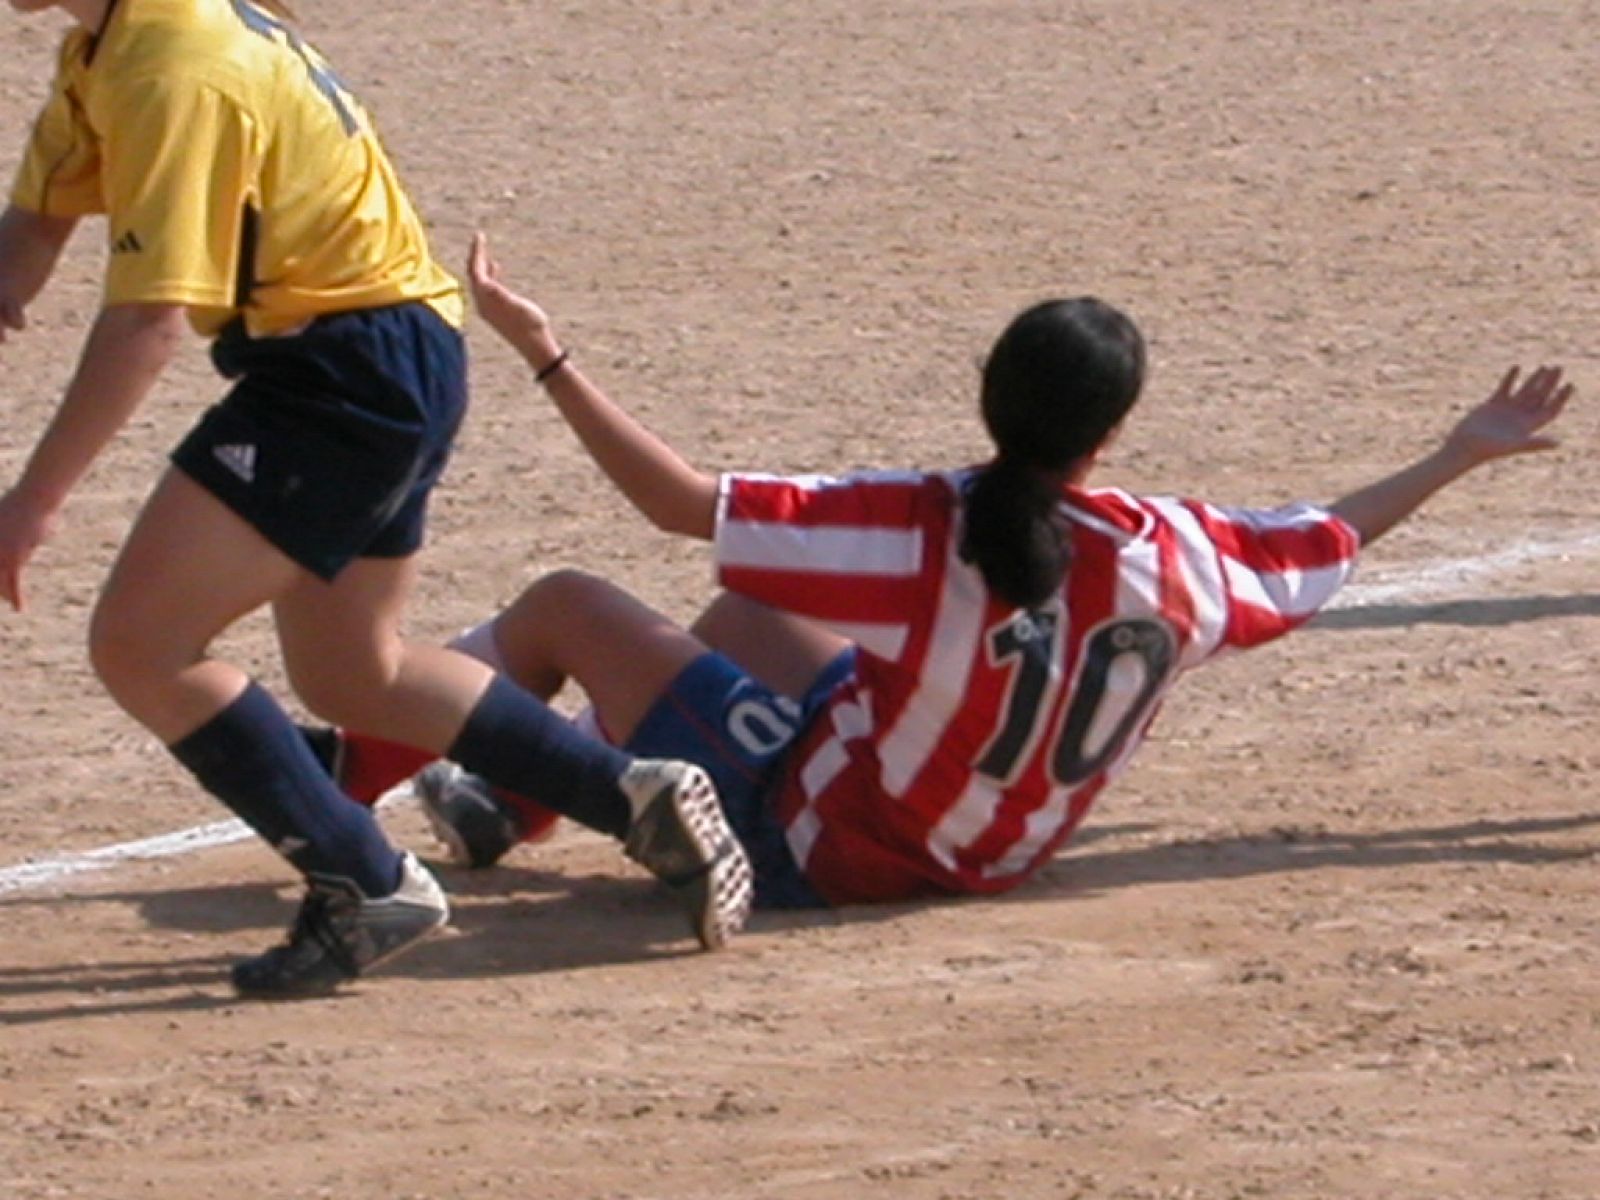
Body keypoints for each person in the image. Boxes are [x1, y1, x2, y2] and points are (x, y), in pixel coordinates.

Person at [315, 233, 1572, 910]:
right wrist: (1456, 454)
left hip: (834, 844)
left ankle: (335, 788)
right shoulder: (1180, 554)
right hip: (998, 848)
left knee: (564, 607)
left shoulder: (928, 525)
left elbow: (676, 502)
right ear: (1113, 432)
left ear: (989, 404)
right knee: (750, 607)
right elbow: (1326, 539)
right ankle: (511, 804)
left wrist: (548, 356)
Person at [0, 0, 752, 998]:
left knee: (141, 644)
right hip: (395, 353)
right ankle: (634, 795)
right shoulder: (111, 43)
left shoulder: (171, 63)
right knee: (357, 672)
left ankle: (365, 879)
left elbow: (149, 322)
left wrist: (33, 502)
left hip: (339, 375)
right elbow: (36, 224)